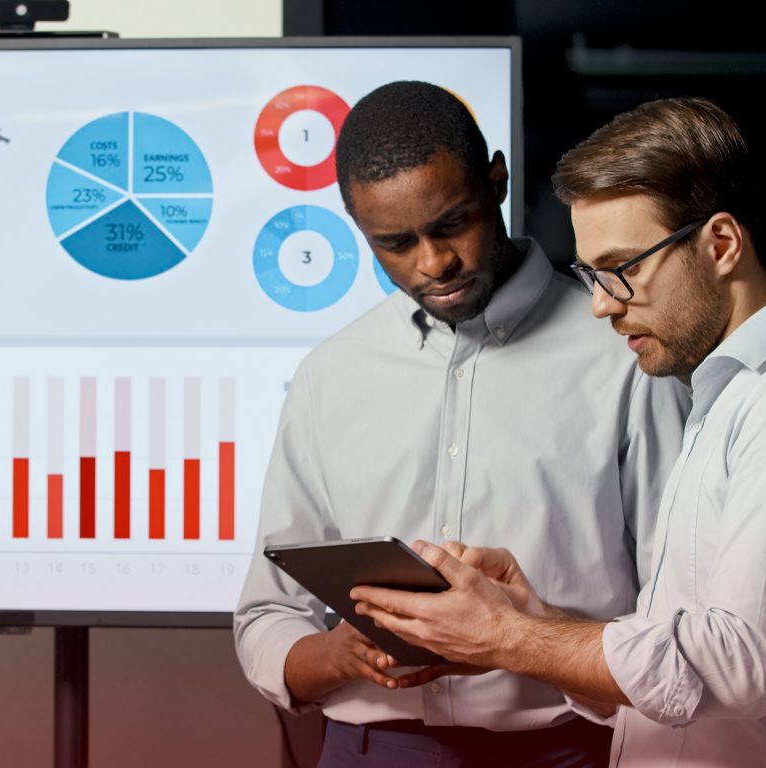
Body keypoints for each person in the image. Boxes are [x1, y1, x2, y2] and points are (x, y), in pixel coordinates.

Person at [351, 97, 766, 767]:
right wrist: (536, 623)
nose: (600, 303)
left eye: (622, 267)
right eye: (591, 273)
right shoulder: (726, 395)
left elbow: (736, 665)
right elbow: (678, 654)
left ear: (720, 245)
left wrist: (507, 639)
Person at [233, 81, 690, 767]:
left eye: (452, 224)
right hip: (367, 747)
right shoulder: (332, 373)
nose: (433, 264)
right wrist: (336, 653)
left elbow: (679, 608)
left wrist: (529, 638)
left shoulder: (625, 355)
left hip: (566, 747)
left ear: (497, 181)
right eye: (394, 243)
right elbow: (267, 617)